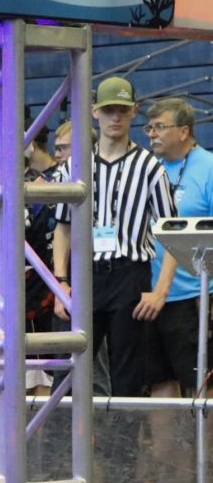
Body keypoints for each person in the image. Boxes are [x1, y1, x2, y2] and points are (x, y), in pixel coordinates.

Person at [53, 77, 179, 398]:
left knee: (128, 379)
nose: (115, 118)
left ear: (134, 112)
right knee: (68, 374)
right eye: (109, 110)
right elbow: (63, 226)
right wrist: (60, 282)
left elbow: (173, 235)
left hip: (129, 276)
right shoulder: (76, 166)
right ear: (95, 112)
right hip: (87, 275)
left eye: (122, 110)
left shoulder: (151, 168)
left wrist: (160, 292)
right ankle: (64, 447)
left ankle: (121, 449)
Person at [144, 97, 213, 397]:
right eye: (149, 127)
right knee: (159, 382)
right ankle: (167, 447)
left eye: (160, 127)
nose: (151, 134)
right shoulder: (147, 169)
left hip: (193, 297)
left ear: (184, 131)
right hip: (147, 296)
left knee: (201, 384)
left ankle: (204, 446)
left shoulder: (208, 169)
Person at [23, 125, 62, 394]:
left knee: (42, 376)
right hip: (14, 289)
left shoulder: (44, 189)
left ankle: (41, 436)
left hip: (38, 289)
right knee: (25, 374)